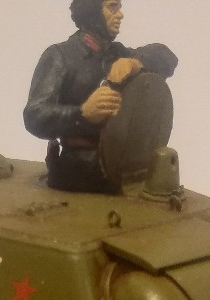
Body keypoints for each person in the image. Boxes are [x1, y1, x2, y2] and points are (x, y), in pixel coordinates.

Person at [23, 0, 177, 192]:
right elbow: (34, 115)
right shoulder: (60, 56)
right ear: (92, 11)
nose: (120, 14)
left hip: (125, 173)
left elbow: (167, 57)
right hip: (76, 175)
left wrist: (135, 62)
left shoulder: (117, 53)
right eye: (112, 7)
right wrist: (81, 114)